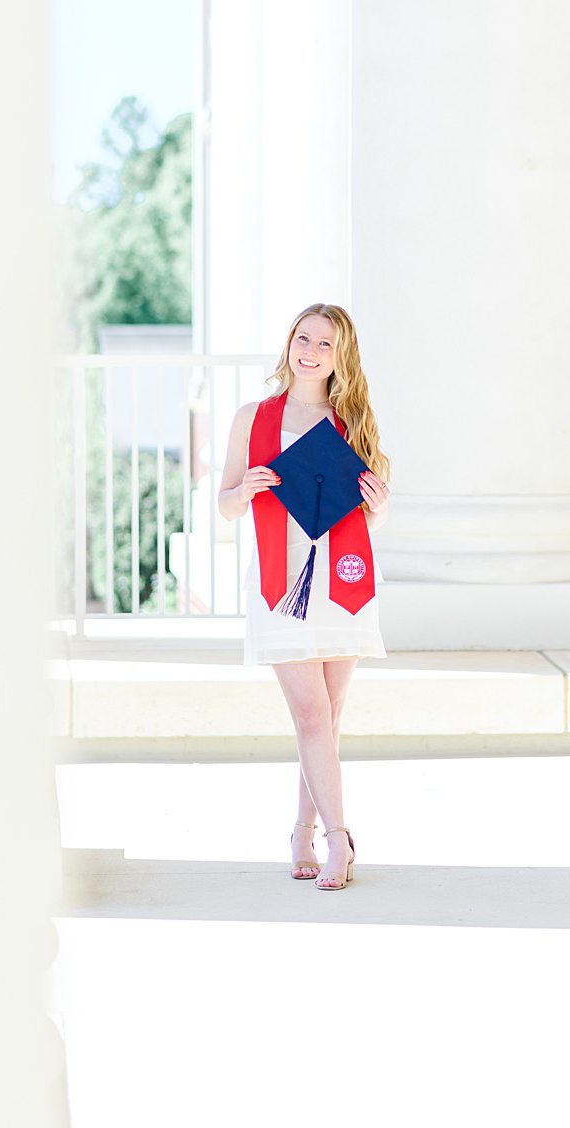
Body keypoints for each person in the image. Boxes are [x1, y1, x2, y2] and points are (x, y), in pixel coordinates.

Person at [216, 303, 391, 891]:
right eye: (303, 337)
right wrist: (244, 489)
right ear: (290, 342)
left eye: (326, 344)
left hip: (341, 581)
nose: (311, 351)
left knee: (329, 720)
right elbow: (226, 504)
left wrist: (380, 501)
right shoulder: (254, 416)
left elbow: (376, 511)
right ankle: (341, 841)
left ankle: (301, 830)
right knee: (312, 714)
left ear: (342, 357)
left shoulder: (353, 419)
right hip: (280, 581)